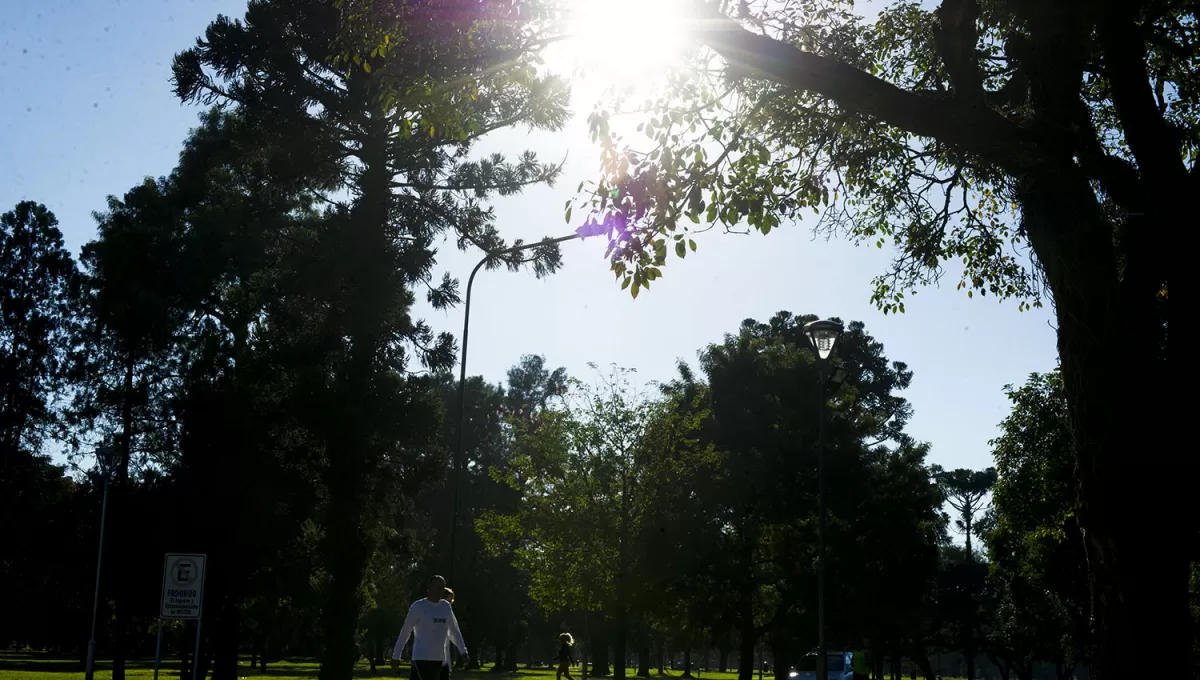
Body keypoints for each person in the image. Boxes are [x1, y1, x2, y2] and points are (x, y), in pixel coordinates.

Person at [391, 575, 469, 680]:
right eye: (437, 587)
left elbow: (454, 631)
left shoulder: (445, 607)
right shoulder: (418, 607)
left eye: (442, 588)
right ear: (429, 587)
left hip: (440, 660)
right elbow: (405, 631)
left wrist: (463, 651)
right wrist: (396, 655)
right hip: (421, 658)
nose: (439, 591)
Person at [440, 588, 457, 680]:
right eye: (448, 600)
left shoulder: (448, 614)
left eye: (451, 601)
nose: (449, 604)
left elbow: (453, 634)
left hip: (445, 661)